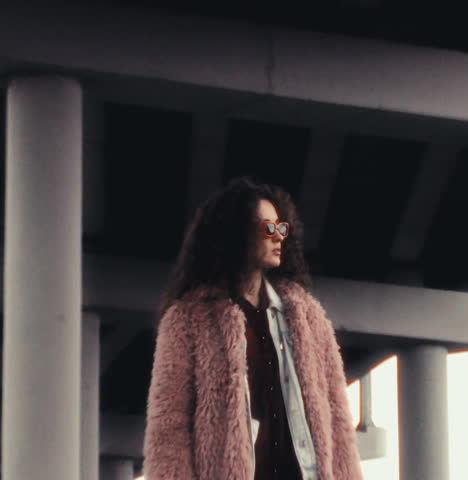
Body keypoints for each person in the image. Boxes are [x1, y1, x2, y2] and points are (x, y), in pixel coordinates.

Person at [142, 177, 363, 480]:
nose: (278, 237)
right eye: (267, 228)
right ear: (236, 233)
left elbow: (337, 423)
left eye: (281, 227)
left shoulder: (308, 318)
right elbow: (169, 428)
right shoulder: (187, 321)